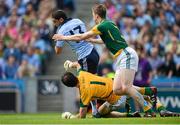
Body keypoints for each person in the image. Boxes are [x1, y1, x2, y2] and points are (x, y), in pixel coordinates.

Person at [52, 4, 155, 116]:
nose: (93, 17)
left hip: (124, 54)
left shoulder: (100, 26)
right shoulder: (109, 23)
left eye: (93, 15)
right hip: (115, 54)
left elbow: (80, 37)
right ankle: (149, 92)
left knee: (124, 87)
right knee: (117, 89)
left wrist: (62, 37)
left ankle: (148, 109)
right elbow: (105, 40)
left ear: (96, 16)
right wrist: (92, 40)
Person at [62, 60, 180, 119]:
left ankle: (129, 115)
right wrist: (70, 64)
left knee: (102, 112)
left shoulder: (84, 92)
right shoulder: (81, 73)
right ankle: (162, 108)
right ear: (74, 76)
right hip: (117, 83)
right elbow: (78, 64)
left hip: (117, 98)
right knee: (141, 93)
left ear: (70, 86)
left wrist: (72, 117)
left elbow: (82, 115)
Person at [51, 10, 100, 116]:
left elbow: (58, 51)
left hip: (85, 56)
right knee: (92, 83)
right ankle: (95, 110)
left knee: (84, 84)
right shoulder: (78, 20)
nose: (54, 24)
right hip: (93, 52)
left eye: (55, 22)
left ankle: (89, 111)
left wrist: (58, 41)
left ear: (61, 20)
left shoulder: (62, 30)